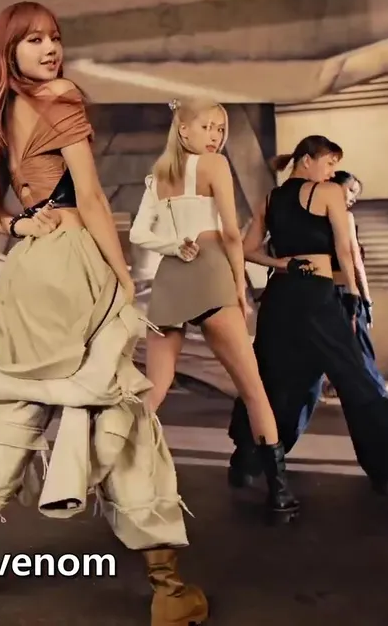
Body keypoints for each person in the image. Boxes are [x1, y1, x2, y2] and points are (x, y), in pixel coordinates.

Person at [0, 2, 208, 626]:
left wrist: (22, 223)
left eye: (55, 37)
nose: (50, 49)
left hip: (25, 272)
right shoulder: (62, 98)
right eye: (33, 40)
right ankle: (169, 589)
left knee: (13, 419)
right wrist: (123, 278)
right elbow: (91, 197)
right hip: (76, 263)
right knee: (119, 415)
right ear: (8, 49)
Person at [130, 98, 299, 523]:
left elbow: (138, 233)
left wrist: (173, 246)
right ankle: (280, 493)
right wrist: (240, 286)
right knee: (252, 388)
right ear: (183, 129)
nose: (216, 137)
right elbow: (230, 232)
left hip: (170, 277)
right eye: (207, 127)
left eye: (220, 129)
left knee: (153, 390)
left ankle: (123, 477)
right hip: (210, 272)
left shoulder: (157, 176)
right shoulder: (215, 165)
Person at [229, 136, 388, 496]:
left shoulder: (270, 199)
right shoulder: (327, 192)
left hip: (280, 297)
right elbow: (345, 248)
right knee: (355, 378)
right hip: (318, 297)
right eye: (328, 163)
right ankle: (387, 471)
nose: (331, 172)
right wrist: (354, 297)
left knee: (275, 381)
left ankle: (248, 464)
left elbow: (245, 250)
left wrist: (281, 263)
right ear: (306, 160)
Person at [320, 170, 380, 399]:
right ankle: (375, 397)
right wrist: (367, 299)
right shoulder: (345, 217)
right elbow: (355, 260)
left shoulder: (312, 216)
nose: (354, 197)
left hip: (318, 289)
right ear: (335, 188)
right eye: (351, 190)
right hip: (345, 290)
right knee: (361, 349)